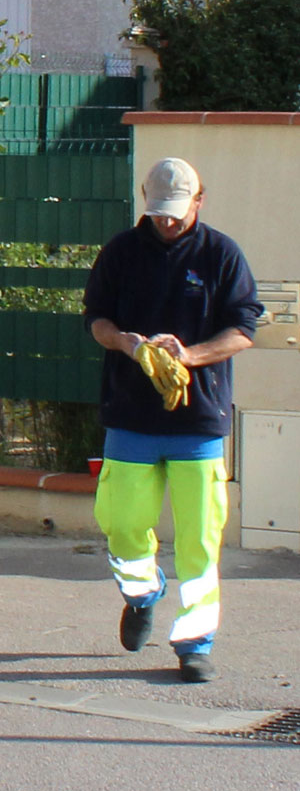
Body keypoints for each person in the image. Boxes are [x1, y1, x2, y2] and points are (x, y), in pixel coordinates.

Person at [83, 156, 260, 683]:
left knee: (201, 540)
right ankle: (142, 593)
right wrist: (126, 343)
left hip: (198, 423)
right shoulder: (120, 252)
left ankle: (194, 643)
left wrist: (189, 356)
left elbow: (244, 329)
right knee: (121, 526)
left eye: (176, 214)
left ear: (198, 202)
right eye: (158, 212)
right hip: (130, 416)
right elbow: (95, 319)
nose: (166, 222)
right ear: (146, 201)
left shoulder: (222, 254)